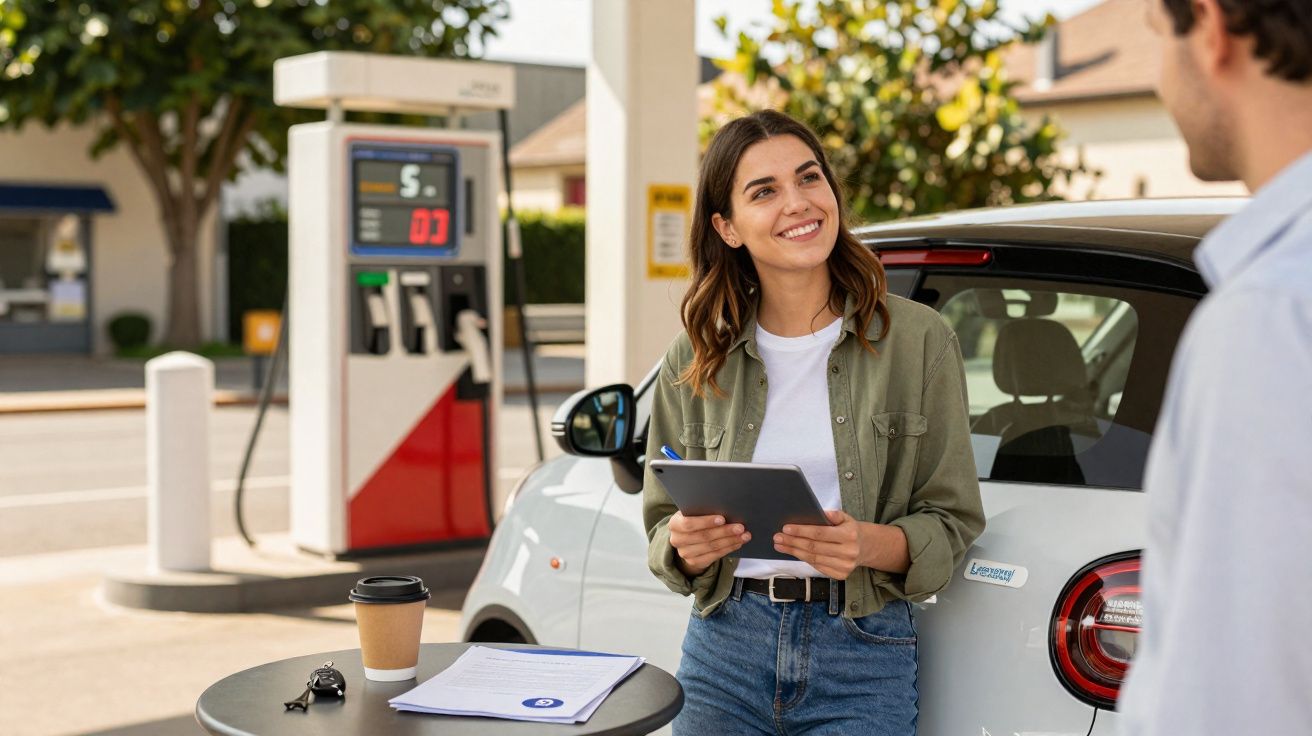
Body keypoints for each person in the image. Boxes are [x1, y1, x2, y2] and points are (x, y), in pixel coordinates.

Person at [641, 109, 985, 735]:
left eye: (809, 178)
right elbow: (663, 520)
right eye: (764, 191)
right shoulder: (694, 356)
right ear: (728, 226)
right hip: (723, 651)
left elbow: (953, 520)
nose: (798, 203)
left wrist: (866, 544)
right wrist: (684, 546)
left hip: (863, 651)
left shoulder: (919, 341)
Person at [1118, 1, 1312, 734]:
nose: (1162, 81)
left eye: (1156, 40)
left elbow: (1229, 703)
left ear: (1209, 27)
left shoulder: (1270, 315)